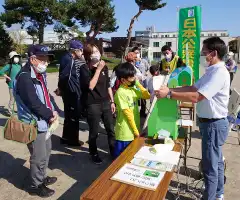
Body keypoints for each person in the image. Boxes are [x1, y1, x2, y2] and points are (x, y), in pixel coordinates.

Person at [155, 37, 229, 200]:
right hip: (209, 124)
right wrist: (171, 89)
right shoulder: (211, 71)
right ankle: (218, 193)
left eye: (204, 52)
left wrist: (169, 94)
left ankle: (210, 196)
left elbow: (197, 96)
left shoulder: (219, 73)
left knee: (210, 166)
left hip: (214, 125)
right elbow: (193, 87)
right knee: (215, 162)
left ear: (213, 53)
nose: (202, 56)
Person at [13, 45, 58, 198]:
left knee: (45, 153)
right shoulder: (25, 77)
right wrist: (49, 115)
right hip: (34, 123)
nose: (46, 63)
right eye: (43, 59)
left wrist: (53, 110)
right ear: (32, 59)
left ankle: (41, 177)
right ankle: (35, 185)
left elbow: (45, 97)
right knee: (38, 156)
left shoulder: (38, 75)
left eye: (47, 59)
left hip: (44, 121)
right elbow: (33, 102)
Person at [80, 44, 115, 164]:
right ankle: (93, 152)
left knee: (110, 129)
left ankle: (113, 151)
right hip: (92, 104)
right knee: (94, 131)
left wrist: (112, 101)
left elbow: (108, 85)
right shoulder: (84, 68)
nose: (96, 53)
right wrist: (98, 70)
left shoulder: (104, 66)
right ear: (88, 55)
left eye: (97, 51)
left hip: (106, 102)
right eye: (93, 52)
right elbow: (90, 86)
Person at [114, 62, 150, 157]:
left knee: (130, 157)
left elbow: (147, 96)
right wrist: (136, 132)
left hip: (134, 130)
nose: (134, 78)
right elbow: (128, 114)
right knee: (121, 159)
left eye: (134, 75)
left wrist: (138, 84)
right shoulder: (120, 93)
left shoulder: (132, 89)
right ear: (123, 80)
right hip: (125, 133)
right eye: (131, 77)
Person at [57, 40, 85, 146]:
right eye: (81, 50)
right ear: (75, 50)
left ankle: (65, 138)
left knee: (69, 115)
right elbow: (64, 76)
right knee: (74, 116)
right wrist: (61, 88)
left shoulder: (66, 57)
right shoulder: (69, 59)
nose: (82, 53)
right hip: (71, 91)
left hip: (68, 90)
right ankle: (73, 140)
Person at [131, 47, 150, 117]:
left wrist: (146, 74)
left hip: (143, 83)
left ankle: (142, 112)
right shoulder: (131, 62)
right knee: (134, 97)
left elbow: (148, 69)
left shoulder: (144, 61)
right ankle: (134, 111)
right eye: (135, 53)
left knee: (143, 98)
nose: (137, 54)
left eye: (138, 52)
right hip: (135, 83)